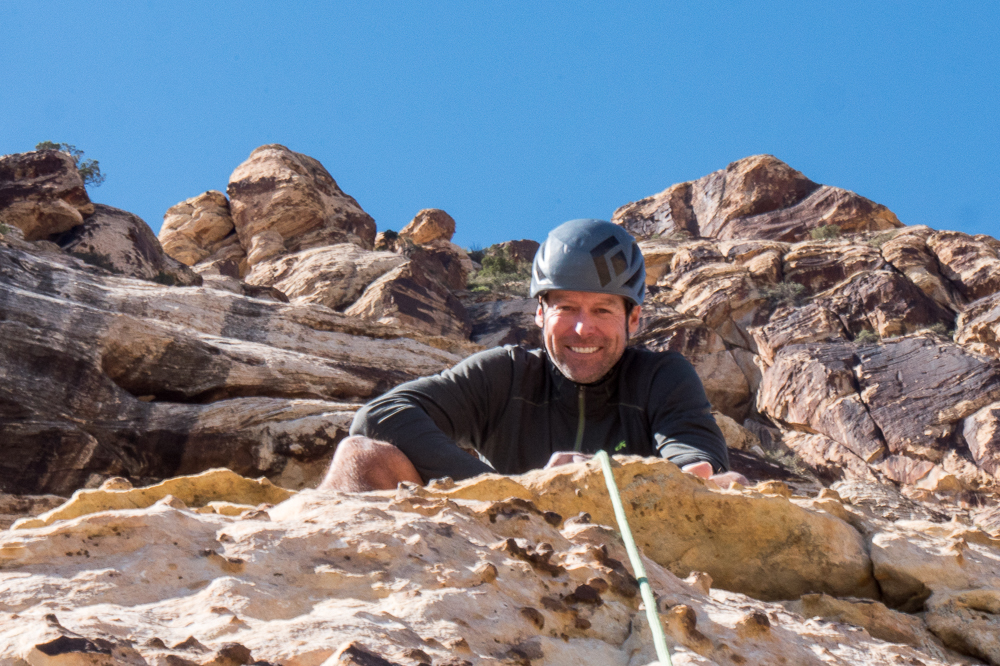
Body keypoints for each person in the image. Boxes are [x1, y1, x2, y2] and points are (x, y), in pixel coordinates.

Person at [319, 219, 746, 492]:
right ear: (540, 314)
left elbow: (694, 458)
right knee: (359, 455)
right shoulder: (506, 374)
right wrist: (521, 494)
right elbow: (381, 416)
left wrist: (694, 476)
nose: (583, 329)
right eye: (566, 308)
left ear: (633, 320)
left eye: (602, 309)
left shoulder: (661, 377)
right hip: (502, 544)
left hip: (630, 554)